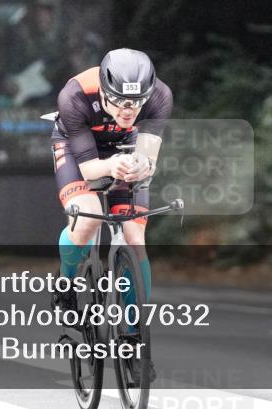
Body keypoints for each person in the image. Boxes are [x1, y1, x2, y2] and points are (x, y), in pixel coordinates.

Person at [49, 48, 172, 383]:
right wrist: (111, 167)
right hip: (80, 151)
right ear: (103, 91)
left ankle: (133, 341)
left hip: (126, 146)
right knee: (87, 217)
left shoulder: (160, 96)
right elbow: (90, 170)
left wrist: (142, 165)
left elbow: (149, 155)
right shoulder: (74, 96)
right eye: (118, 101)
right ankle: (66, 280)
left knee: (134, 237)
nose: (128, 110)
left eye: (136, 103)